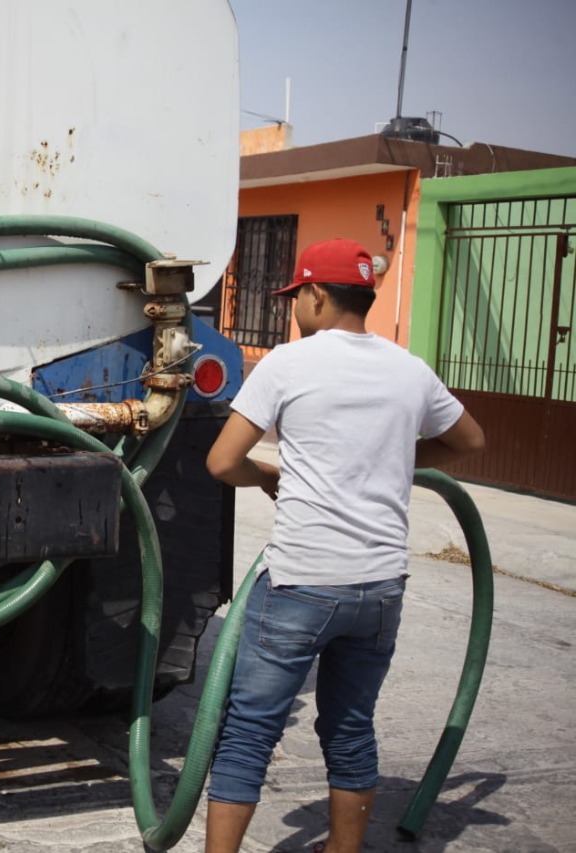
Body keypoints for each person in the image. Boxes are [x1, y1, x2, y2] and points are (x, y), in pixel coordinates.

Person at [202, 238, 485, 853]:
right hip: (381, 587)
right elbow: (469, 440)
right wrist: (391, 462)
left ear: (316, 295)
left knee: (249, 731)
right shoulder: (409, 367)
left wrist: (268, 475)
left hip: (303, 582)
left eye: (295, 297)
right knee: (351, 729)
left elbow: (222, 462)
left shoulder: (288, 362)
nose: (293, 309)